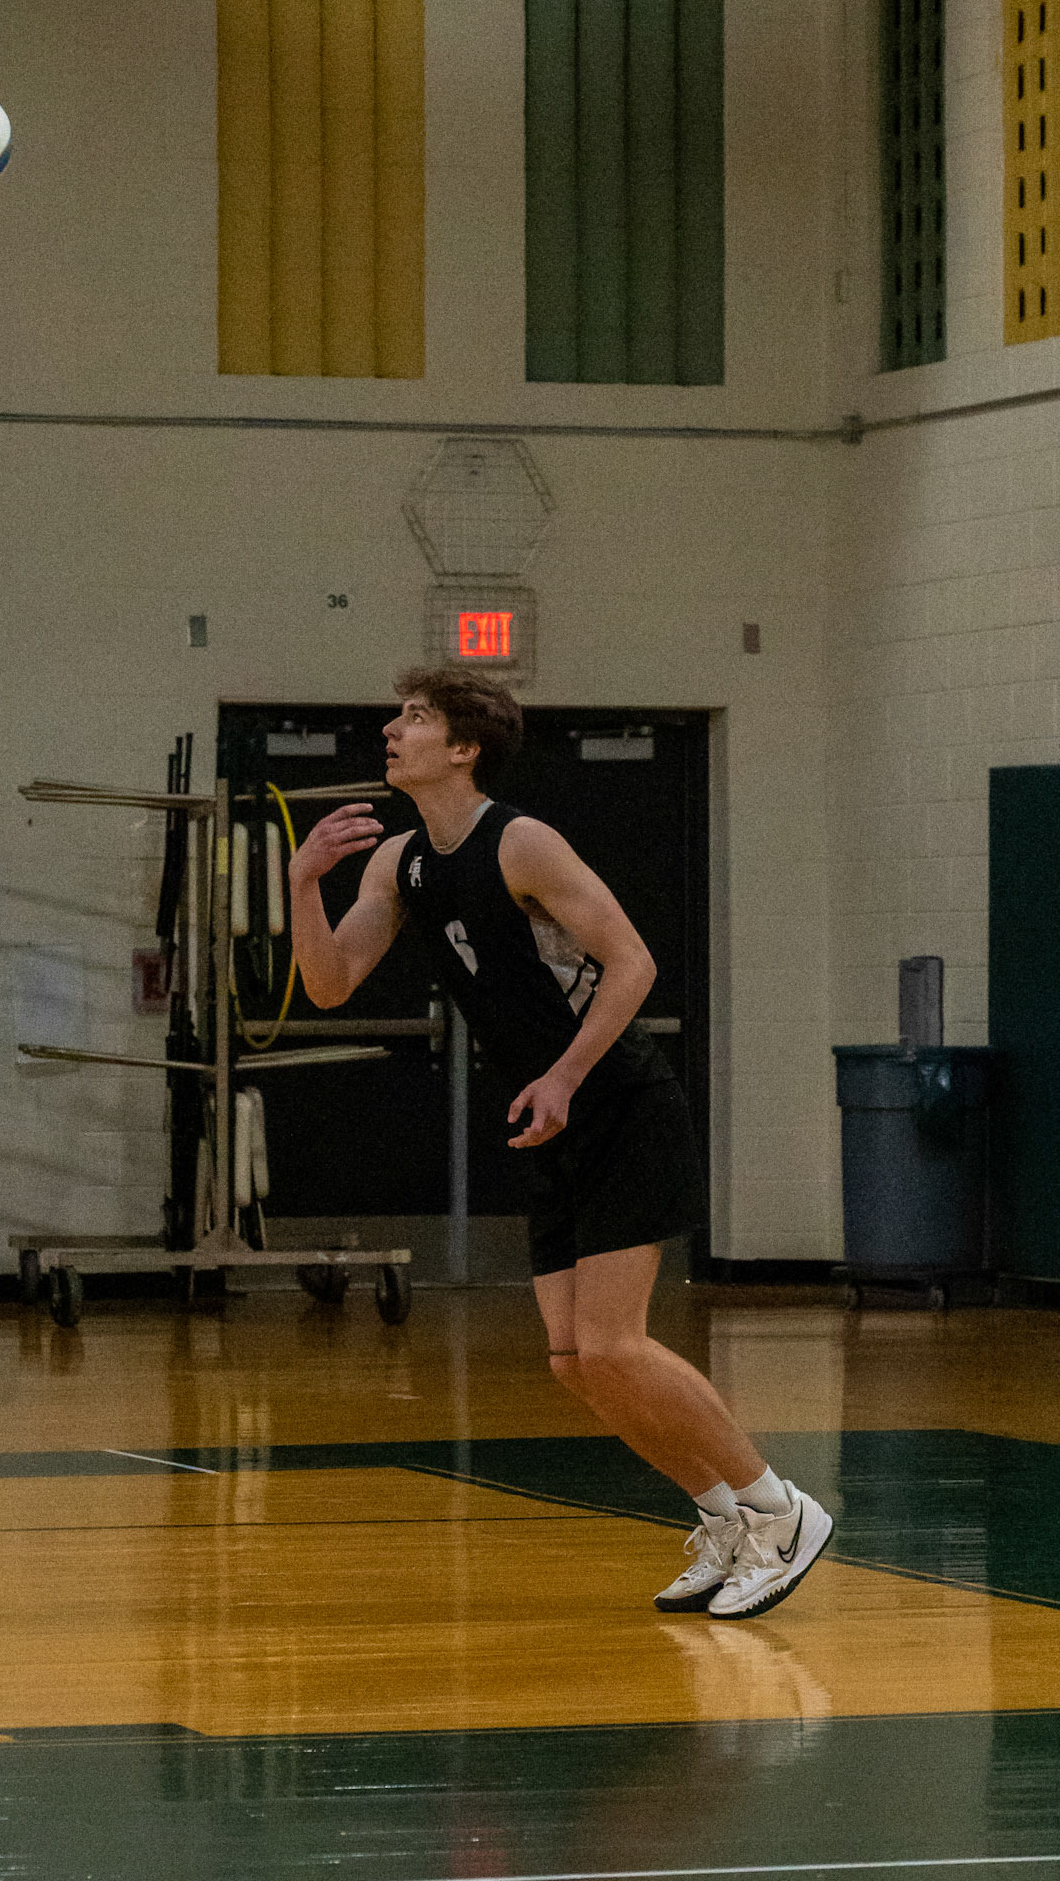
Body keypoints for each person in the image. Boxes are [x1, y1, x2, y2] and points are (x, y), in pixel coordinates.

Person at [286, 666, 833, 1621]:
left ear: (463, 748)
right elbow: (329, 983)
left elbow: (634, 963)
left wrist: (566, 1075)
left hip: (617, 1102)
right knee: (576, 1362)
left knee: (616, 1345)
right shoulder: (399, 862)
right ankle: (723, 1519)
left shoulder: (521, 841)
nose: (390, 730)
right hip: (551, 1120)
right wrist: (300, 880)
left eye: (414, 718)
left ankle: (780, 1511)